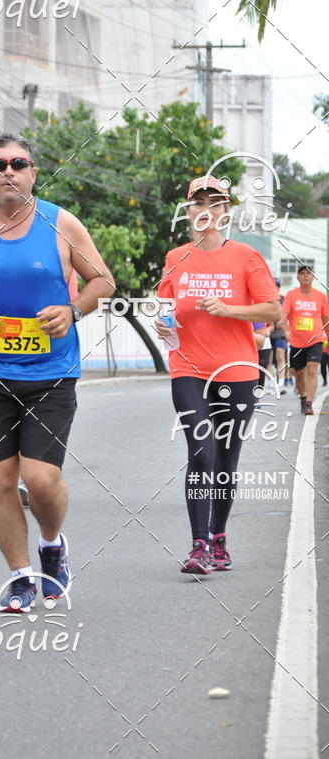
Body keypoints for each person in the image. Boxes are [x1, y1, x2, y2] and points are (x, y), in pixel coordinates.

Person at [0, 133, 114, 612]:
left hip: (51, 372)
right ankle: (19, 577)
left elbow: (104, 280)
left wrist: (73, 310)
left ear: (33, 172)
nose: (8, 171)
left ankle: (52, 546)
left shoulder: (61, 225)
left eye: (18, 163)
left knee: (38, 480)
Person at [156, 175, 281, 574]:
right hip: (188, 368)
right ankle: (198, 545)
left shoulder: (246, 257)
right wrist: (163, 325)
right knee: (201, 450)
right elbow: (165, 306)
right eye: (198, 203)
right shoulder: (176, 258)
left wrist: (229, 310)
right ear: (188, 210)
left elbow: (272, 310)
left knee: (226, 460)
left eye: (215, 202)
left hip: (239, 369)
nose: (206, 210)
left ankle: (219, 537)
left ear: (226, 212)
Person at [282, 265, 329, 415]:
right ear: (298, 277)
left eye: (308, 274)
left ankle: (309, 402)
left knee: (312, 368)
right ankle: (303, 398)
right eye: (302, 274)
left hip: (316, 339)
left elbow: (326, 318)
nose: (306, 276)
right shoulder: (291, 295)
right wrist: (286, 331)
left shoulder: (321, 296)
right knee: (299, 373)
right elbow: (283, 316)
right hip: (296, 341)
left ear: (313, 277)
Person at [270, 281, 289, 394]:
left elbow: (288, 314)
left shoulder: (284, 299)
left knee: (280, 357)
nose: (275, 288)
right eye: (273, 286)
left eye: (277, 286)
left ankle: (281, 383)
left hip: (281, 333)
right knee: (268, 360)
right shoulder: (266, 300)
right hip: (269, 332)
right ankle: (270, 384)